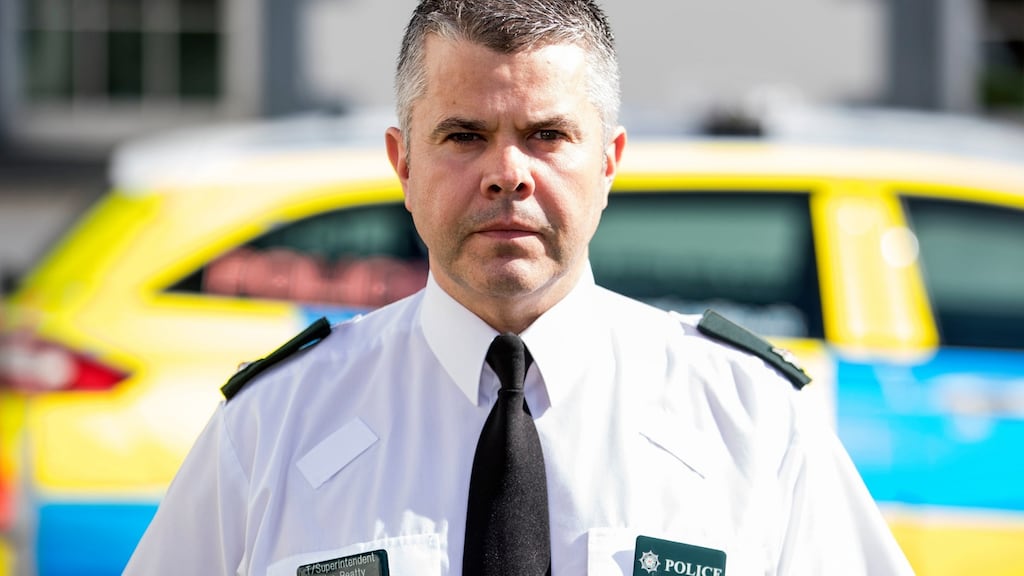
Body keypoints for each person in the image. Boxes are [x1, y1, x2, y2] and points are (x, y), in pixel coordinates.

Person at [124, 1, 915, 574]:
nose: (508, 173)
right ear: (402, 164)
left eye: (547, 136)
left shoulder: (749, 419)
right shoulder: (275, 425)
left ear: (608, 162)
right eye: (465, 135)